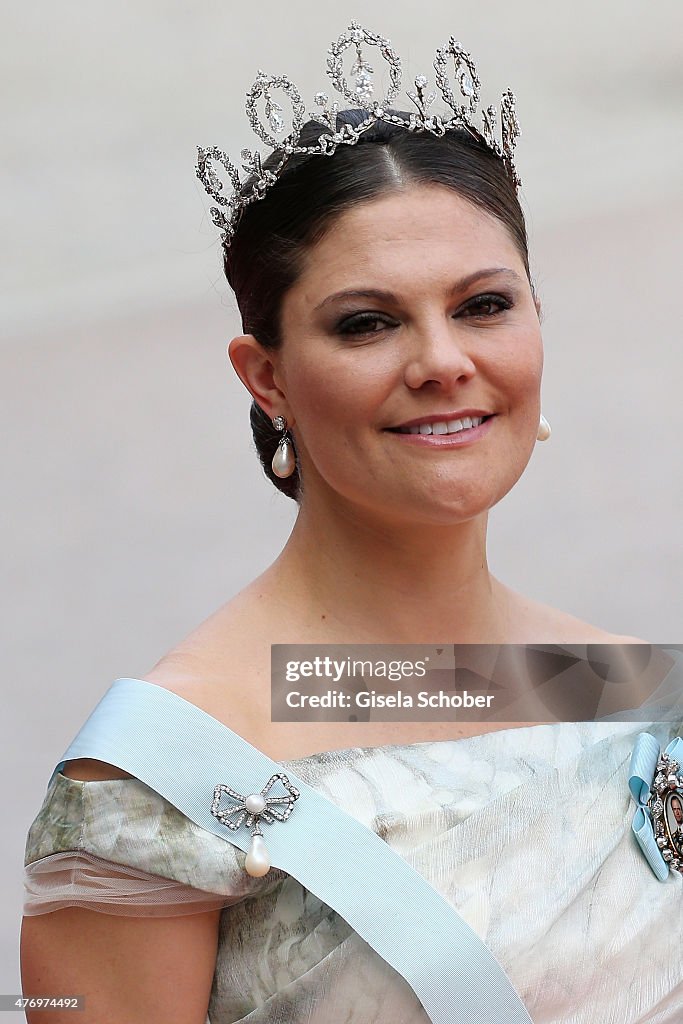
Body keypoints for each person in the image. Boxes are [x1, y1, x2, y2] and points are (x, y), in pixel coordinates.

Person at [20, 21, 682, 1024]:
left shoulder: (618, 683)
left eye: (482, 305)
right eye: (365, 322)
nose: (440, 361)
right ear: (267, 375)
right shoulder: (159, 771)